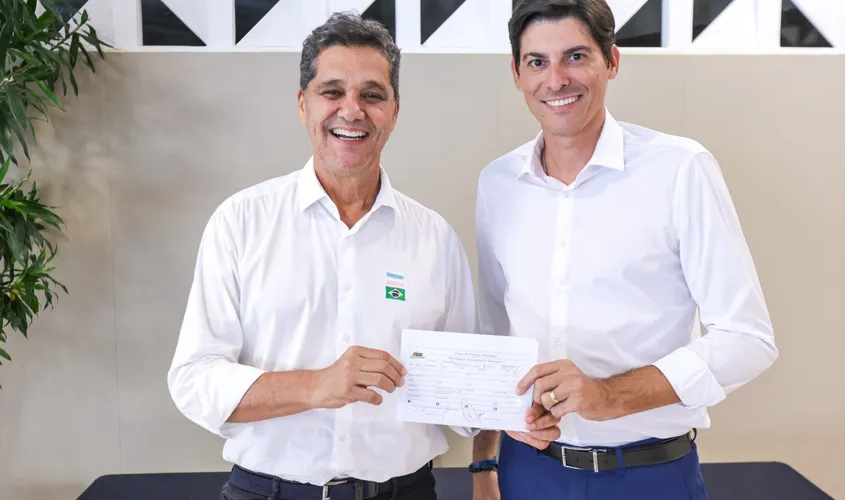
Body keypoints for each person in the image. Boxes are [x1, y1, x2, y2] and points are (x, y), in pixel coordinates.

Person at [469, 1, 779, 499]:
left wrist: (609, 396)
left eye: (575, 57)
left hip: (648, 475)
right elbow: (493, 334)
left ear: (611, 61)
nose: (556, 80)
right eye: (537, 62)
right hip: (527, 471)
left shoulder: (680, 169)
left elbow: (748, 339)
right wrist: (484, 463)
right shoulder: (498, 183)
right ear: (517, 74)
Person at [167, 12, 477, 500]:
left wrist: (521, 401)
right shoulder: (241, 222)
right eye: (332, 92)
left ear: (395, 111)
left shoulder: (435, 238)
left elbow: (465, 388)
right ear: (303, 104)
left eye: (372, 95)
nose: (351, 111)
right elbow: (195, 380)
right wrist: (316, 386)